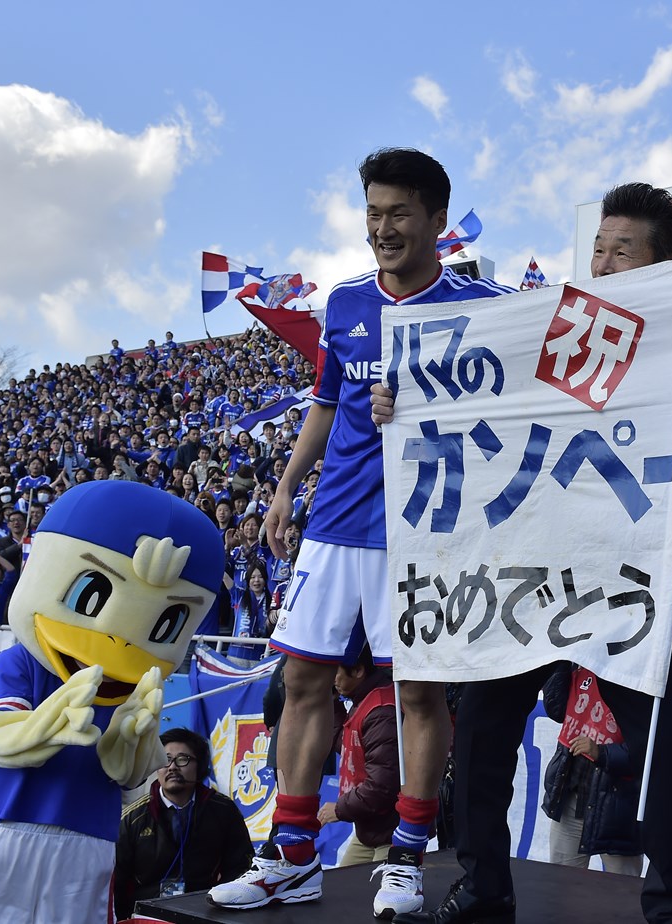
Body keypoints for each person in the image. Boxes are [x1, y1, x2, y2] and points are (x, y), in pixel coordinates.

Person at [388, 182, 672, 924]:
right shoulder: (547, 327)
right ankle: (482, 886)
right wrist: (408, 403)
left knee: (654, 749)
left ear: (662, 264)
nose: (604, 263)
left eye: (623, 251)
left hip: (619, 575)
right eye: (599, 248)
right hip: (521, 570)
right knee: (482, 733)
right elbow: (462, 409)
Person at [209, 148, 515, 919]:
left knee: (417, 693)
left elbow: (521, 403)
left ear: (437, 222)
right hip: (337, 525)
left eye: (398, 214)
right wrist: (284, 489)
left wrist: (424, 408)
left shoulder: (483, 306)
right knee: (305, 683)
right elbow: (322, 403)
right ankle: (292, 857)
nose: (382, 228)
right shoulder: (345, 304)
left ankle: (407, 860)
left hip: (426, 531)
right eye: (373, 214)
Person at [114, 728, 254, 917]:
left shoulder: (223, 810)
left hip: (206, 912)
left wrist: (220, 907)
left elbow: (240, 868)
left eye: (182, 759)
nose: (172, 767)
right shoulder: (134, 818)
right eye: (165, 760)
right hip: (147, 915)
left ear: (200, 766)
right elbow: (118, 881)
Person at [540, 663, 644, 877]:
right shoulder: (577, 669)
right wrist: (562, 660)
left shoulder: (639, 679)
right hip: (570, 799)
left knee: (623, 894)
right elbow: (555, 708)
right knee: (560, 889)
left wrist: (602, 753)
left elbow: (649, 752)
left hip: (617, 808)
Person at [320, 645, 399, 866]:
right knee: (342, 889)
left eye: (336, 671)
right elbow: (345, 745)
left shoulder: (383, 711)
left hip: (390, 835)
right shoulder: (364, 700)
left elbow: (382, 785)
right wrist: (334, 702)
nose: (332, 679)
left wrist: (338, 809)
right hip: (371, 830)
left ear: (358, 670)